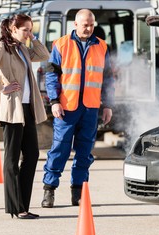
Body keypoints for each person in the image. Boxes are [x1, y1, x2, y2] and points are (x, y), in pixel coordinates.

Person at [41, 9, 115, 208]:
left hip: (90, 108)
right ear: (75, 24)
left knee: (84, 152)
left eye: (91, 25)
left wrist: (108, 104)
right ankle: (49, 190)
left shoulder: (101, 46)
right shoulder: (61, 44)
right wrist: (54, 101)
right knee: (60, 149)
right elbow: (51, 76)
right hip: (66, 107)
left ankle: (78, 193)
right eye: (85, 25)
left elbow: (108, 79)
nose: (89, 28)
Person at [0, 14, 50, 219]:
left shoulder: (23, 49)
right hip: (12, 109)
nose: (28, 33)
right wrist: (2, 87)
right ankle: (16, 207)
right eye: (25, 30)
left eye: (30, 29)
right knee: (11, 159)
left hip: (28, 108)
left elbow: (44, 55)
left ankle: (23, 205)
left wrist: (34, 37)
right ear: (13, 29)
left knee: (32, 155)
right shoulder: (3, 47)